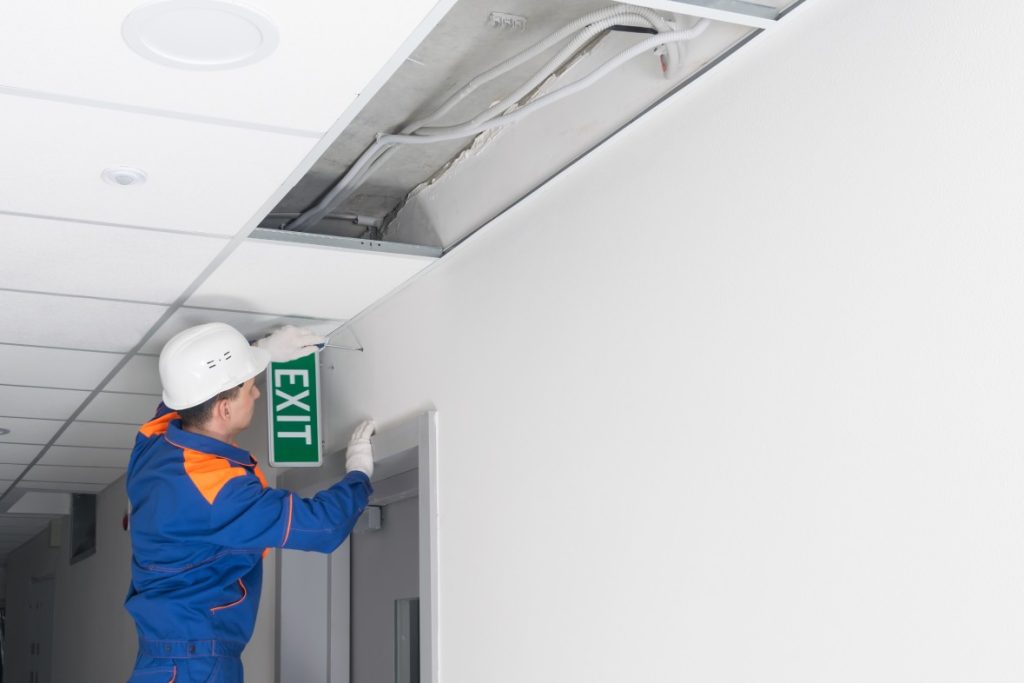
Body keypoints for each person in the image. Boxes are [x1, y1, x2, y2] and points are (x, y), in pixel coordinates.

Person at [124, 323, 374, 683]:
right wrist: (359, 475)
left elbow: (182, 396)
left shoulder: (154, 443)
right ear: (224, 410)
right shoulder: (218, 491)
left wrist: (264, 352)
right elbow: (323, 527)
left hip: (176, 658)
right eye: (249, 388)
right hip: (190, 664)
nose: (257, 394)